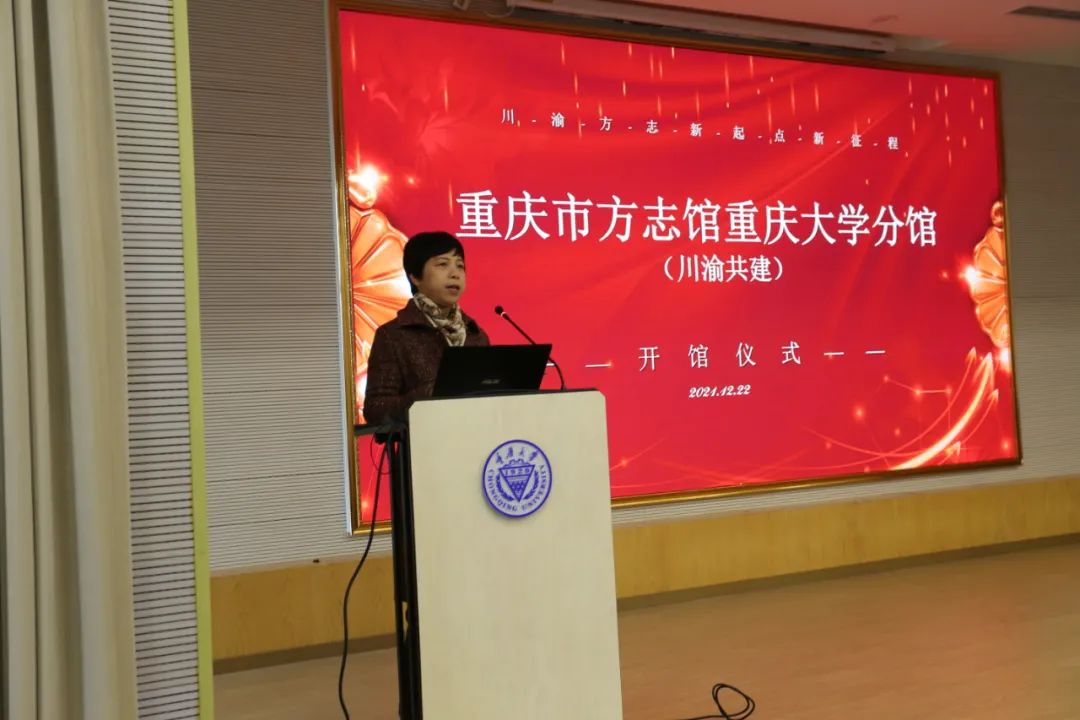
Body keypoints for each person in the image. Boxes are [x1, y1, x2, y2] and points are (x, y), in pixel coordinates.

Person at [363, 231, 489, 424]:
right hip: (423, 441)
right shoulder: (393, 335)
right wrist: (427, 394)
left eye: (460, 265)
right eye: (442, 264)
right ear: (415, 276)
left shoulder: (475, 334)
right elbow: (375, 410)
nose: (455, 273)